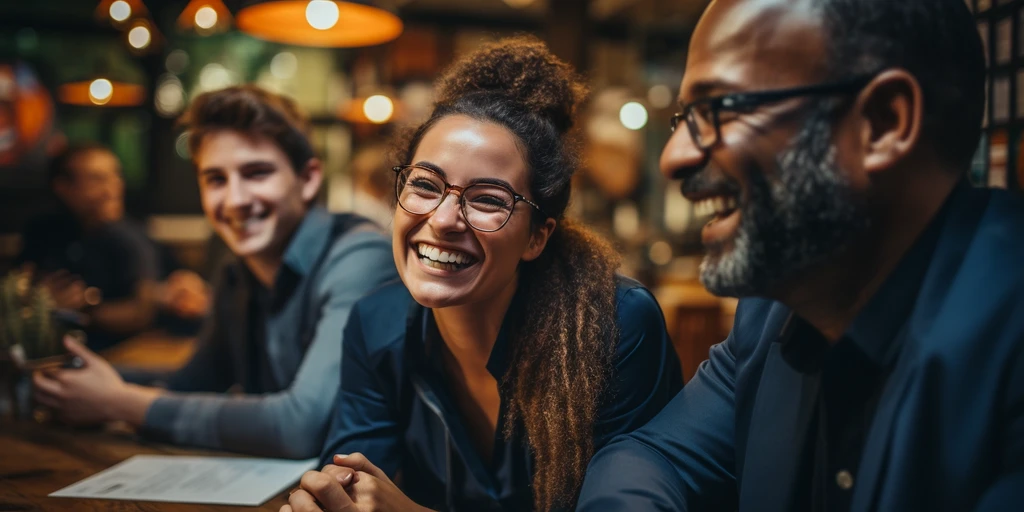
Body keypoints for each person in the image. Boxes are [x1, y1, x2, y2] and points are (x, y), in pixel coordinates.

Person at [576, 0, 1024, 511]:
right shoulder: (775, 313)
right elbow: (649, 456)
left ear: (882, 122)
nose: (673, 156)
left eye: (718, 108)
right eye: (684, 117)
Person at [284, 38, 682, 512]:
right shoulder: (376, 322)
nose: (444, 218)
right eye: (425, 185)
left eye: (488, 199)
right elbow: (353, 484)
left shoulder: (615, 328)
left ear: (537, 236)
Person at [32, 85, 398, 459]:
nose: (235, 200)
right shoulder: (236, 274)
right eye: (216, 179)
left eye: (256, 173)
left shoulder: (360, 258)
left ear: (308, 179)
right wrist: (69, 380)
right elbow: (190, 384)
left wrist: (120, 403)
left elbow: (301, 426)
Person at [16, 143, 164, 351]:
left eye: (115, 176)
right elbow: (20, 294)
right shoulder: (41, 231)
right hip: (49, 350)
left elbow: (142, 312)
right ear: (63, 187)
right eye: (97, 179)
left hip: (117, 352)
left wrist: (80, 309)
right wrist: (40, 301)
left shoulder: (131, 239)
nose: (111, 189)